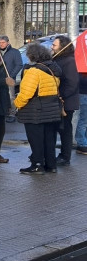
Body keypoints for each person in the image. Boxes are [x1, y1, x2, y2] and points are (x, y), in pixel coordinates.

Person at [14, 43, 62, 175]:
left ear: (32, 56)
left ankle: (37, 165)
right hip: (51, 109)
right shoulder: (52, 69)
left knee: (36, 139)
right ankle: (51, 165)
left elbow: (26, 94)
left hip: (35, 110)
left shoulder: (34, 71)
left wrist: (16, 104)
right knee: (49, 139)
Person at [51, 35, 78, 166]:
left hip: (66, 102)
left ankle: (65, 156)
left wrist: (62, 96)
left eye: (54, 45)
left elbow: (72, 83)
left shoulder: (69, 61)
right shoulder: (57, 58)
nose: (52, 47)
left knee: (65, 130)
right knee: (55, 128)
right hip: (57, 100)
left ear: (62, 47)